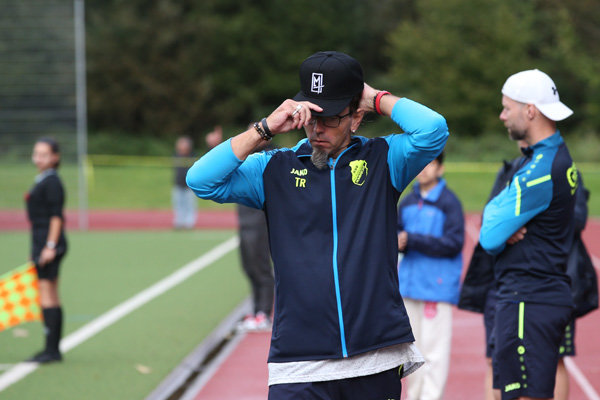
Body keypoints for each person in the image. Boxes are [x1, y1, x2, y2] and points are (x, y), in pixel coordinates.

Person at [186, 51, 449, 399]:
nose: (318, 129)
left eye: (331, 118)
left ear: (356, 117)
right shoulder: (273, 168)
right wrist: (264, 129)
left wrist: (375, 98)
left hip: (375, 356)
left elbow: (433, 130)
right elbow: (201, 180)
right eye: (311, 117)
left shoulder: (384, 160)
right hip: (299, 362)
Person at [460, 143, 597, 400]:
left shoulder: (563, 170)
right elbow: (489, 216)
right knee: (496, 359)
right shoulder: (510, 170)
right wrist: (506, 224)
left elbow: (576, 219)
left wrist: (522, 220)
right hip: (504, 282)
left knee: (556, 358)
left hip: (549, 280)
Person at [479, 69, 578, 400]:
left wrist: (496, 219)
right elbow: (493, 217)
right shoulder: (550, 155)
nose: (502, 115)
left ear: (531, 110)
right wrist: (497, 215)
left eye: (507, 107)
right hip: (535, 295)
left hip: (528, 300)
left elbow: (489, 237)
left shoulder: (538, 172)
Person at [397, 151, 464, 400]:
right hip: (409, 286)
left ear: (440, 169)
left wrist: (412, 240)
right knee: (411, 353)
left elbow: (454, 243)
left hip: (436, 288)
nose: (424, 169)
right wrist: (399, 241)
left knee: (434, 353)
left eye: (431, 164)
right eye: (421, 164)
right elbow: (396, 234)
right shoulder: (407, 201)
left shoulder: (449, 202)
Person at [25, 138, 68, 363]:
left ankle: (51, 350)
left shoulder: (51, 182)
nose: (38, 158)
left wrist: (49, 246)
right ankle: (53, 349)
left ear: (55, 157)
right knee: (50, 293)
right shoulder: (43, 179)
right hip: (41, 243)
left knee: (47, 293)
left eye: (44, 154)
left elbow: (56, 217)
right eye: (36, 154)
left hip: (49, 244)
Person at [172, 135, 198, 229]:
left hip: (189, 186)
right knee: (178, 204)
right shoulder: (176, 156)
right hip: (178, 184)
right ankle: (179, 222)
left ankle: (189, 223)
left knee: (190, 205)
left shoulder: (192, 156)